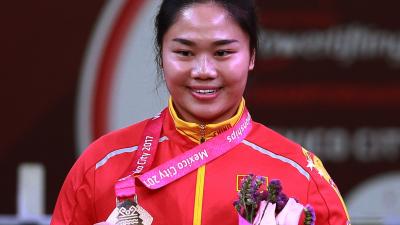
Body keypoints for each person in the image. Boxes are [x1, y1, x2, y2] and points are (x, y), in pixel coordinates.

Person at [51, 0, 351, 225]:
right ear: (161, 54)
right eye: (184, 53)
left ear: (252, 56)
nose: (203, 71)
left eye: (222, 53)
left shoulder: (301, 175)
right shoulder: (102, 164)